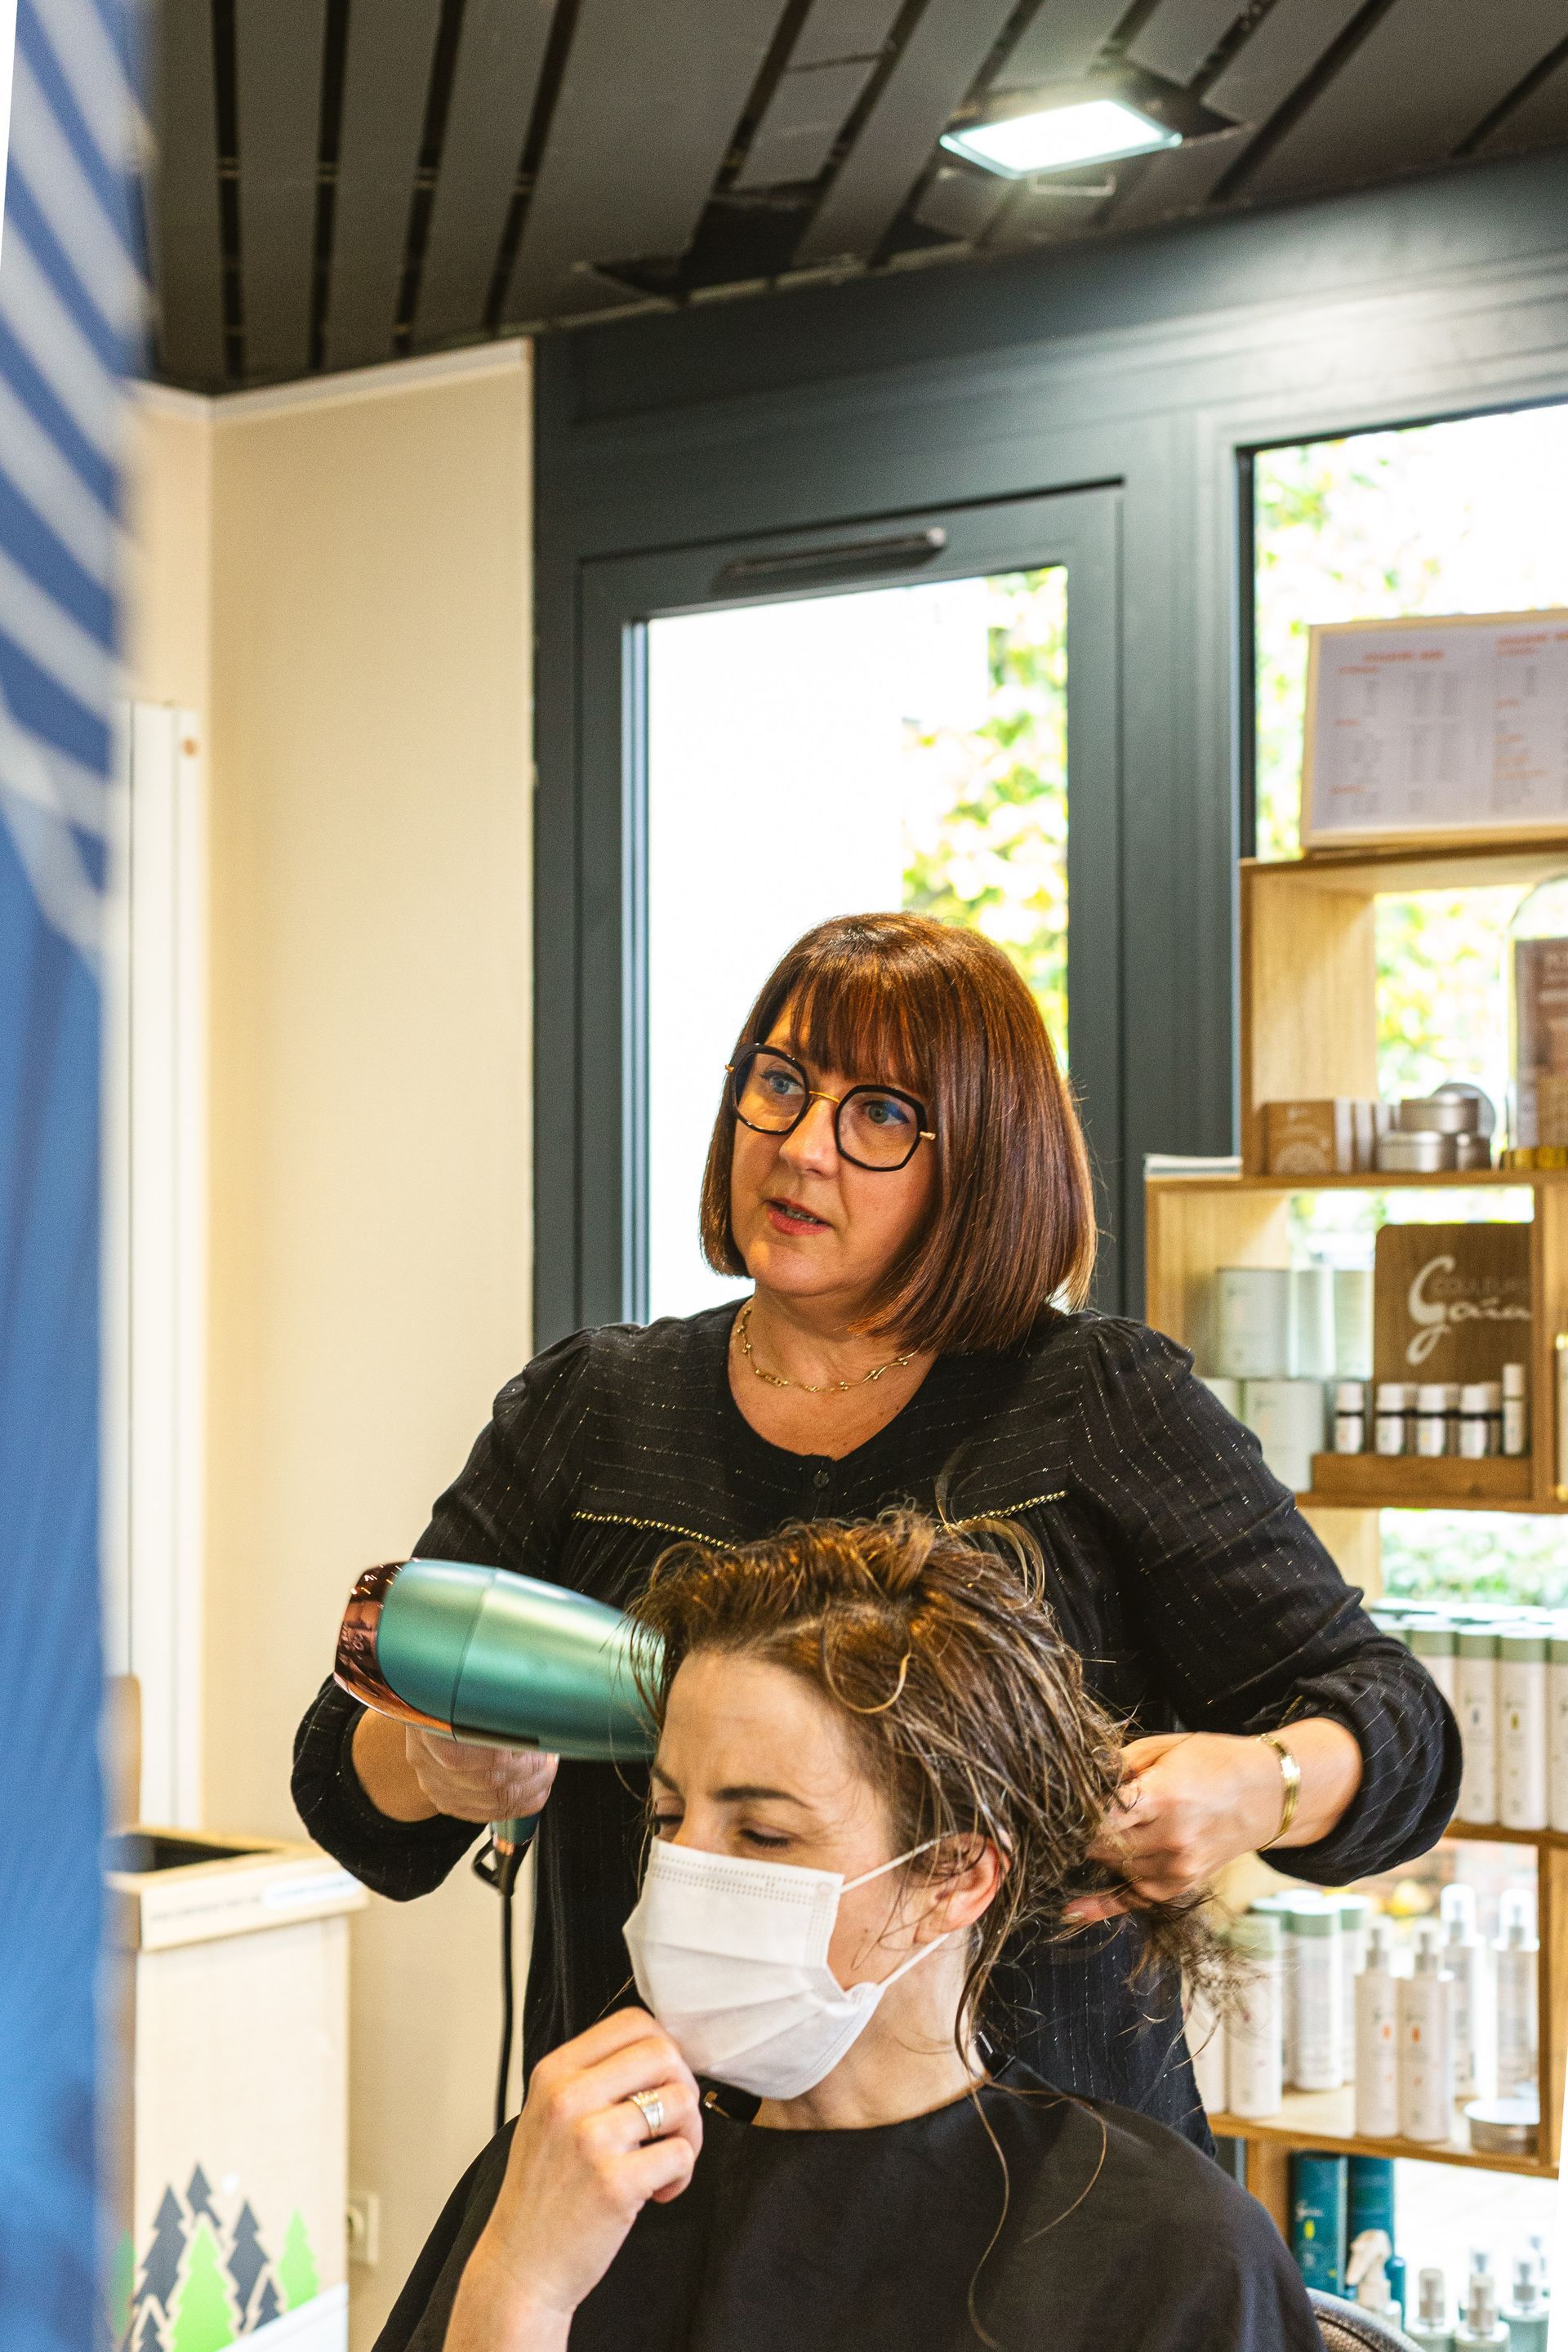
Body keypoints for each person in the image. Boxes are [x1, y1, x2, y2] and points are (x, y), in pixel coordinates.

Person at [294, 909, 1459, 2141]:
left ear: (986, 1162)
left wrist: (1266, 1784)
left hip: (1037, 2190)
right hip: (651, 2179)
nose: (802, 1148)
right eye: (781, 1084)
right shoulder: (594, 1411)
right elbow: (344, 1774)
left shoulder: (1096, 1405)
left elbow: (1399, 1729)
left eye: (882, 1115)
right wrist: (433, 1763)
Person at [375, 1513, 1321, 2352]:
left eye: (764, 1833)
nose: (686, 1870)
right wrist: (521, 2289)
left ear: (955, 1876)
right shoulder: (561, 2172)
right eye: (669, 1819)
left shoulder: (1161, 2251)